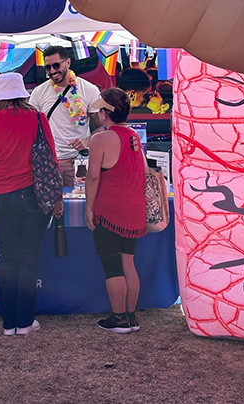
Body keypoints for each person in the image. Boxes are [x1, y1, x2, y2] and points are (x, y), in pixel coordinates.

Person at [0, 73, 62, 336]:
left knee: (7, 260)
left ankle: (8, 323)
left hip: (2, 197)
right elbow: (51, 158)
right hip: (32, 196)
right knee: (28, 259)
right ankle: (25, 321)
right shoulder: (37, 117)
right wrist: (57, 197)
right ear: (22, 93)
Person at [84, 87, 146, 333]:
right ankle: (130, 316)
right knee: (128, 264)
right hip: (133, 209)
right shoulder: (133, 136)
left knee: (112, 266)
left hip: (109, 210)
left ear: (104, 113)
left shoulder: (100, 138)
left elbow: (92, 177)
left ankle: (118, 317)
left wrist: (89, 209)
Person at [29, 45, 101, 187]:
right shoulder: (38, 92)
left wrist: (86, 141)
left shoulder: (89, 89)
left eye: (56, 65)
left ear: (68, 62)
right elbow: (31, 128)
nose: (52, 71)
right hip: (50, 161)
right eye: (48, 68)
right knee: (51, 207)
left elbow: (101, 127)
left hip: (79, 161)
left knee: (78, 205)